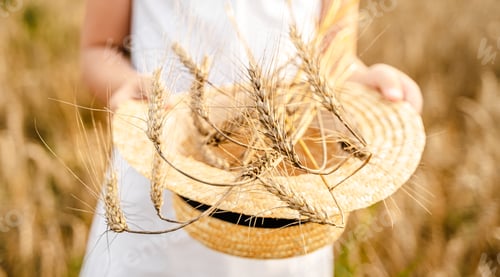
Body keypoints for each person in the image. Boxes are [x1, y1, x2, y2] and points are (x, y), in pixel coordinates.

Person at [79, 1, 423, 276]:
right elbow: (99, 48)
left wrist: (363, 81)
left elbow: (334, 58)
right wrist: (123, 83)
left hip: (285, 195)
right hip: (159, 182)